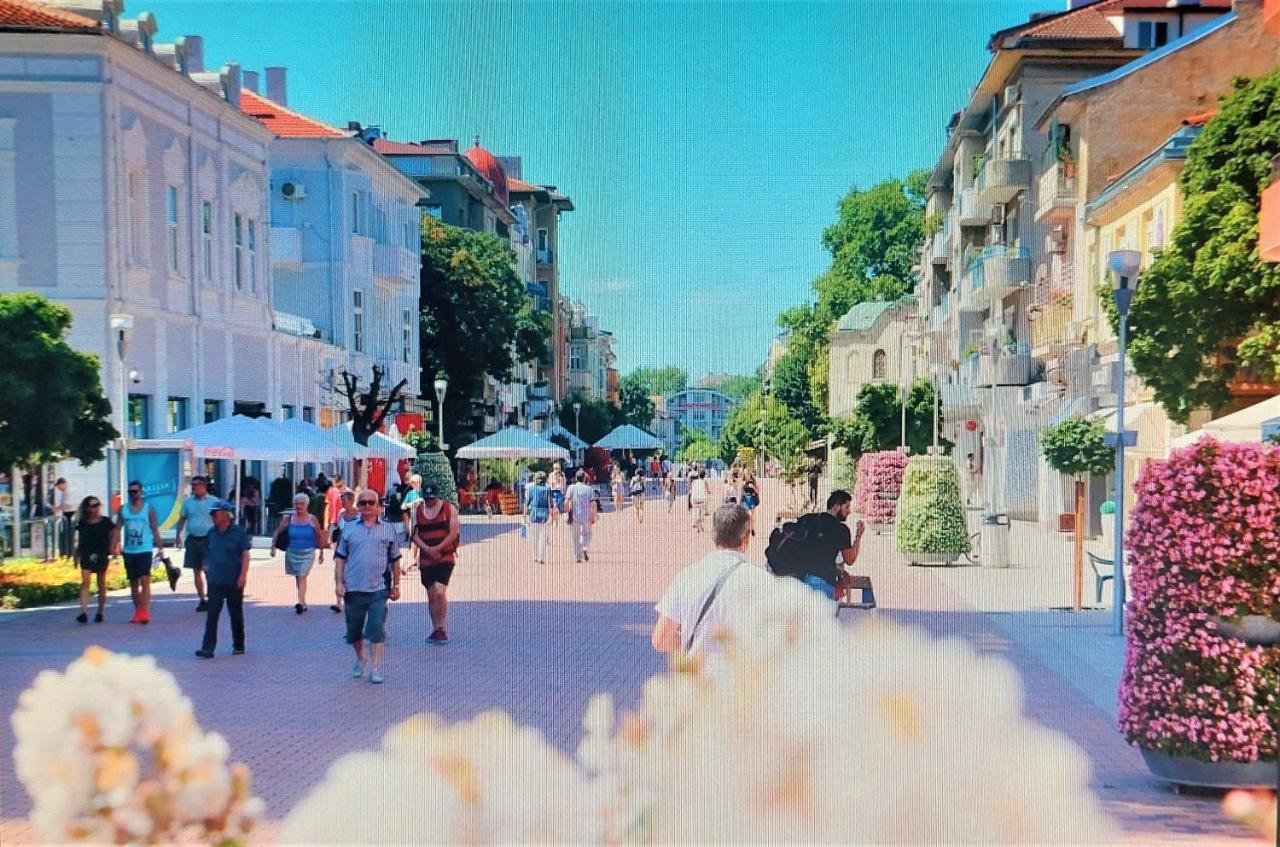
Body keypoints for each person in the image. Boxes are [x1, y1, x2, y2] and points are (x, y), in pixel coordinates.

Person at [651, 504, 776, 662]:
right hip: (742, 675)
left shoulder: (688, 576)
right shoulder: (763, 581)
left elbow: (661, 639)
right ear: (746, 538)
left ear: (713, 535)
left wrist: (695, 646)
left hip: (697, 674)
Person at [333, 489, 401, 684]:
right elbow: (340, 559)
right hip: (353, 588)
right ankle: (361, 657)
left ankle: (376, 667)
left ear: (378, 505)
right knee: (354, 632)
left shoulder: (388, 529)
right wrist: (339, 583)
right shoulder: (349, 529)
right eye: (363, 503)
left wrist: (396, 585)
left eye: (371, 502)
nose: (367, 506)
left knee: (377, 628)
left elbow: (396, 559)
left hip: (378, 589)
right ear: (358, 506)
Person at [195, 500, 251, 658]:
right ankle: (208, 648)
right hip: (215, 580)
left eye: (215, 514)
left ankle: (238, 644)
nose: (212, 516)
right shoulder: (211, 533)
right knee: (212, 614)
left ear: (226, 515)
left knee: (235, 613)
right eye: (212, 514)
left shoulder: (238, 532)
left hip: (234, 579)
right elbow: (207, 552)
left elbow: (245, 555)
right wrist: (206, 564)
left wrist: (243, 575)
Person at [788, 490, 866, 601]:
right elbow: (850, 559)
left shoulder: (807, 519)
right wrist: (858, 536)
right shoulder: (841, 529)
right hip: (823, 581)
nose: (849, 511)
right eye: (847, 507)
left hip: (799, 581)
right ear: (836, 506)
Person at [409, 482, 460, 644]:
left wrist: (438, 548)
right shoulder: (417, 511)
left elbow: (453, 532)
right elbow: (414, 534)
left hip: (444, 556)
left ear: (437, 496)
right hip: (426, 558)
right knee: (431, 595)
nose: (429, 501)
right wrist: (427, 549)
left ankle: (441, 627)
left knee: (439, 590)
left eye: (432, 498)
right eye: (426, 498)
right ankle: (435, 628)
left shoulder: (449, 509)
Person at [113, 481, 163, 625]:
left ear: (141, 492)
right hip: (129, 550)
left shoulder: (148, 509)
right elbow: (117, 528)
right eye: (131, 492)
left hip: (145, 549)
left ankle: (144, 611)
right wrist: (114, 546)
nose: (133, 494)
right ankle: (138, 611)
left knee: (145, 579)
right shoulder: (124, 510)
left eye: (135, 491)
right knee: (134, 582)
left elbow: (154, 528)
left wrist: (160, 547)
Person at [271, 493, 327, 614]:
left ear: (307, 505)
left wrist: (322, 552)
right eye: (296, 504)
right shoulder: (289, 518)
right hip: (292, 552)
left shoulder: (312, 519)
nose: (299, 506)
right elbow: (277, 531)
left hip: (308, 552)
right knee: (298, 577)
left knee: (302, 575)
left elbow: (319, 535)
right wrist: (273, 546)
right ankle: (303, 601)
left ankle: (300, 603)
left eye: (301, 504)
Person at [176, 475, 216, 611]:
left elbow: (221, 519)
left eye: (196, 485)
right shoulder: (188, 502)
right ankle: (202, 600)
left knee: (208, 569)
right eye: (192, 485)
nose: (193, 487)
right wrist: (178, 536)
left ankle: (212, 597)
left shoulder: (213, 501)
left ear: (204, 486)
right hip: (193, 539)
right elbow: (182, 519)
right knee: (196, 570)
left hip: (209, 539)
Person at [73, 495, 113, 624]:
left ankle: (100, 611)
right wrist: (75, 555)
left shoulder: (106, 522)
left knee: (101, 584)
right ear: (86, 508)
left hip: (101, 553)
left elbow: (113, 536)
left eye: (96, 505)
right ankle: (83, 612)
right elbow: (78, 541)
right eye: (91, 506)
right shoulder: (83, 523)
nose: (94, 508)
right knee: (85, 582)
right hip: (86, 553)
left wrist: (113, 550)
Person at [327, 490, 360, 612]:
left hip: (355, 549)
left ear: (351, 500)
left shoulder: (359, 515)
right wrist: (336, 548)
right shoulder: (341, 514)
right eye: (341, 500)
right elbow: (339, 531)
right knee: (338, 573)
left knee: (353, 575)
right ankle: (338, 603)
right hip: (342, 548)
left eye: (344, 500)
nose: (342, 503)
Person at [565, 470, 597, 563]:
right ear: (584, 478)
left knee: (575, 537)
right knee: (587, 534)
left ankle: (578, 557)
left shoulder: (571, 488)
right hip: (586, 515)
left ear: (576, 478)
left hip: (574, 515)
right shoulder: (589, 489)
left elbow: (566, 501)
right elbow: (593, 503)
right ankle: (585, 546)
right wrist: (594, 515)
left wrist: (567, 512)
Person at [524, 471, 552, 563]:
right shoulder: (548, 488)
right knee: (543, 537)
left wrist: (524, 515)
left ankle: (535, 556)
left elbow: (527, 502)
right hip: (545, 514)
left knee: (534, 537)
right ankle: (541, 557)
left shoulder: (531, 488)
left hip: (534, 514)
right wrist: (552, 514)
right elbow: (549, 503)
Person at [50, 478, 76, 559]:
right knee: (65, 535)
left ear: (63, 484)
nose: (58, 488)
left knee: (70, 535)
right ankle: (66, 553)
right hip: (66, 514)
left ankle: (70, 553)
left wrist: (57, 508)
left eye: (59, 486)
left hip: (71, 514)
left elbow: (68, 505)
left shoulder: (69, 492)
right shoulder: (64, 493)